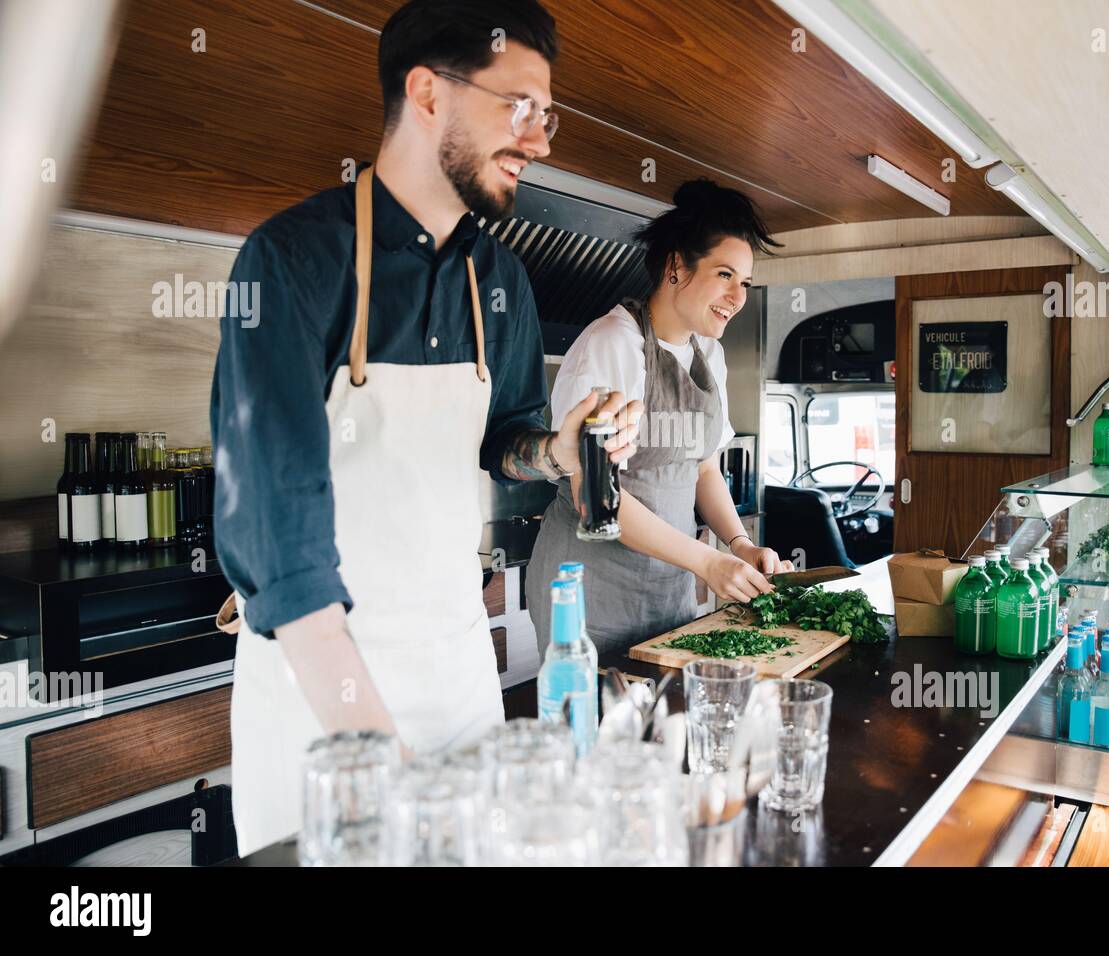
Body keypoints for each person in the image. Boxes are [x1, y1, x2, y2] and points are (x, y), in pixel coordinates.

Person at [209, 0, 639, 855]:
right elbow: (275, 539)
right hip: (321, 700)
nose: (543, 139)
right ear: (428, 92)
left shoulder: (502, 279)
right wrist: (375, 755)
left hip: (456, 676)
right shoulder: (290, 262)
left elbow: (504, 438)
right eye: (520, 106)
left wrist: (555, 452)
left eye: (546, 114)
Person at [528, 179, 794, 657]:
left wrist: (737, 545)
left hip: (666, 590)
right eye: (725, 276)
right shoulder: (613, 343)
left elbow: (704, 468)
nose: (738, 296)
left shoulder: (709, 355)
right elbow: (597, 496)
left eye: (746, 283)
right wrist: (708, 563)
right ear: (676, 266)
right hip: (591, 593)